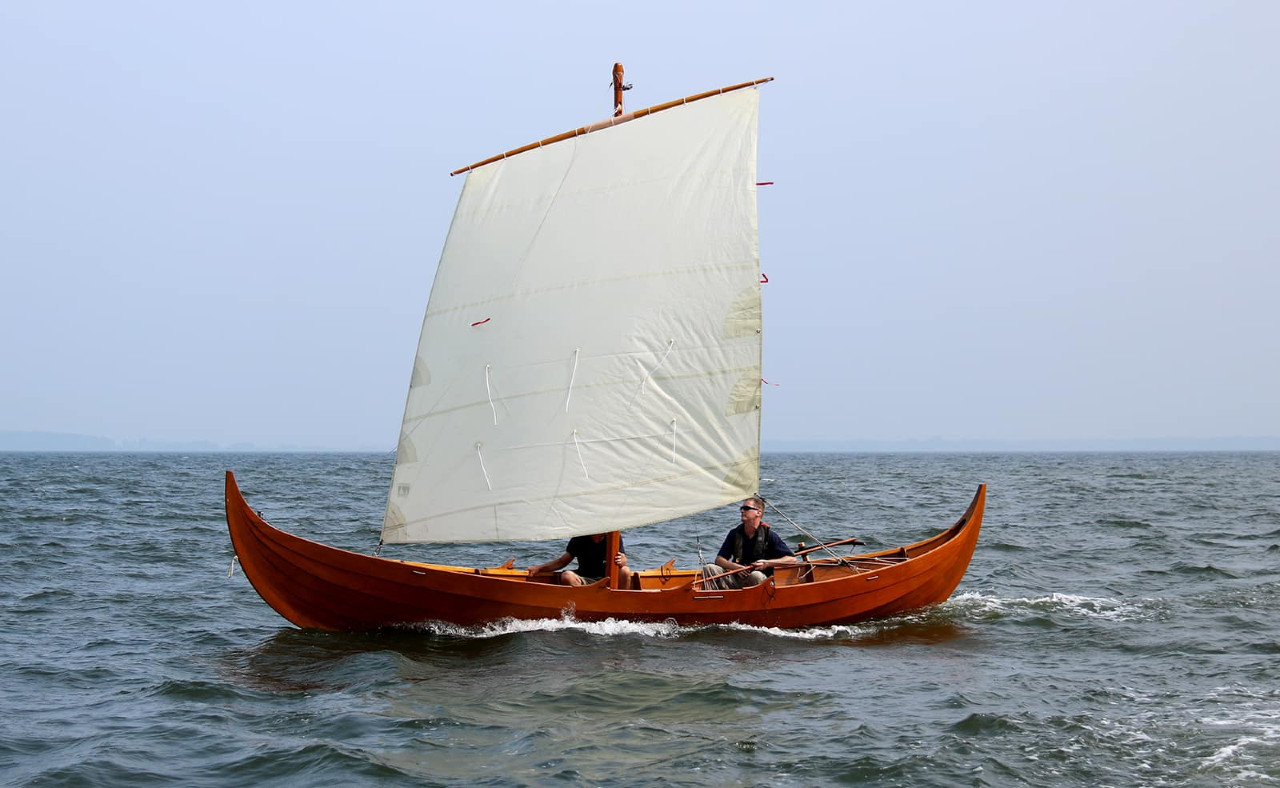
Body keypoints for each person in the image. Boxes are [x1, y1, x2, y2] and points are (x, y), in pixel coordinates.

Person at [702, 496, 796, 589]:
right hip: (736, 579)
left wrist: (767, 563)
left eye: (746, 508)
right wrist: (736, 567)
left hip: (759, 581)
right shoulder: (734, 533)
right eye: (742, 508)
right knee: (709, 568)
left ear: (758, 512)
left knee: (756, 575)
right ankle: (712, 597)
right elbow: (719, 560)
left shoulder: (769, 536)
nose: (742, 511)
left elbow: (792, 560)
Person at [528, 532, 634, 587]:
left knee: (625, 570)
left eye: (602, 535)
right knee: (567, 576)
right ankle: (583, 605)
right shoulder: (579, 539)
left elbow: (623, 559)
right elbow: (562, 562)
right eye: (597, 534)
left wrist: (623, 560)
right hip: (585, 579)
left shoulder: (613, 536)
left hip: (609, 580)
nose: (600, 537)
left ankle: (620, 602)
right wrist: (539, 568)